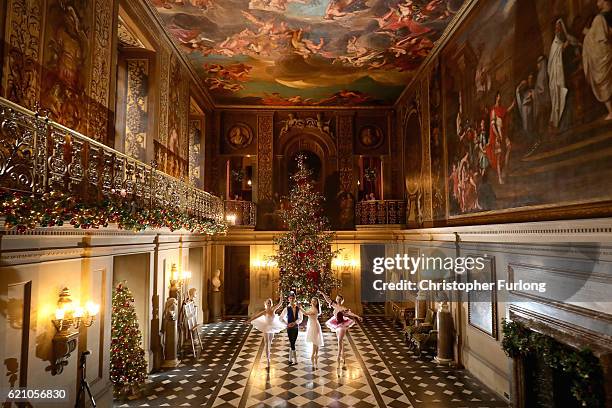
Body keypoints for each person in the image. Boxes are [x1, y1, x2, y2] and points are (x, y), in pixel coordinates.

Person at [583, 0, 612, 120]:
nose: (596, 3)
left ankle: (611, 111)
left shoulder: (599, 18)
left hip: (604, 55)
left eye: (599, 0)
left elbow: (601, 39)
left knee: (605, 83)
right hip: (609, 53)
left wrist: (587, 33)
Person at [318, 291, 362, 367]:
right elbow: (327, 300)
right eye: (337, 299)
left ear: (342, 300)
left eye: (339, 299)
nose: (338, 300)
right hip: (336, 324)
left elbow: (351, 314)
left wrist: (358, 316)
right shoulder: (334, 305)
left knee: (340, 340)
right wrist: (322, 293)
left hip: (342, 325)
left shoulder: (343, 308)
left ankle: (338, 356)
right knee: (340, 341)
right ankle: (343, 356)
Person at [247, 295, 285, 367]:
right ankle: (268, 359)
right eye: (268, 303)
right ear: (266, 304)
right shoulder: (264, 312)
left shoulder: (273, 309)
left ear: (271, 304)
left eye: (270, 303)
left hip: (272, 326)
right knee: (267, 343)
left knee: (270, 342)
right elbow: (255, 316)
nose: (269, 304)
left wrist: (281, 296)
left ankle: (268, 352)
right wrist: (248, 321)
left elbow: (280, 303)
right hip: (266, 327)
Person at [280, 292, 303, 365]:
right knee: (292, 342)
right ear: (288, 299)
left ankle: (290, 358)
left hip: (296, 327)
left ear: (295, 299)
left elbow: (301, 318)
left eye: (293, 298)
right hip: (289, 328)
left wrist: (295, 323)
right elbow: (280, 318)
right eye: (290, 298)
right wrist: (287, 323)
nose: (292, 299)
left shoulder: (297, 308)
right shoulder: (286, 308)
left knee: (293, 342)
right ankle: (295, 360)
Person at [303, 297, 324, 368]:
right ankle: (316, 355)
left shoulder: (315, 310)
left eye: (315, 301)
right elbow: (307, 312)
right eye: (312, 301)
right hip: (312, 324)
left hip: (314, 325)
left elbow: (306, 313)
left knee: (315, 341)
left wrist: (300, 308)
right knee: (316, 341)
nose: (313, 302)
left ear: (317, 303)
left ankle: (313, 355)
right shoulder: (311, 308)